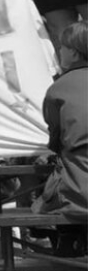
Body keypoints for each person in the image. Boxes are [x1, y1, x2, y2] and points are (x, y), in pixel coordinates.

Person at [33, 21, 88, 256]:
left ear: (74, 53)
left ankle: (68, 248)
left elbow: (55, 141)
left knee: (44, 198)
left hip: (80, 188)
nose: (58, 51)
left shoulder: (58, 89)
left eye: (62, 47)